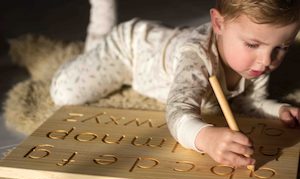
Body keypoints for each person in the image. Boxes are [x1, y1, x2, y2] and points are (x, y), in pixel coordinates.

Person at [50, 0, 300, 167]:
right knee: (66, 93)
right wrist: (206, 138)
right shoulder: (196, 57)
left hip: (165, 42)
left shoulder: (257, 62)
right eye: (253, 45)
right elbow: (178, 112)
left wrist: (278, 110)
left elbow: (249, 101)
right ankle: (101, 30)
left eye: (282, 47)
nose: (267, 61)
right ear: (219, 24)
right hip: (130, 51)